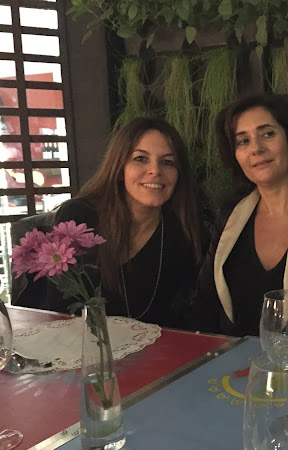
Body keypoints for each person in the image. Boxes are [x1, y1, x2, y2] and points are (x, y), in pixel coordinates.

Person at [194, 94, 288, 347]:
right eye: (243, 141)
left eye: (268, 134)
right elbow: (206, 302)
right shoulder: (229, 216)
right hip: (232, 363)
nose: (256, 148)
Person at [34, 117, 203, 327]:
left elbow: (189, 316)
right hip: (82, 343)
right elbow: (59, 311)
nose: (155, 170)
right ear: (120, 168)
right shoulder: (79, 218)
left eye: (167, 162)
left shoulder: (183, 231)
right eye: (141, 158)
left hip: (156, 345)